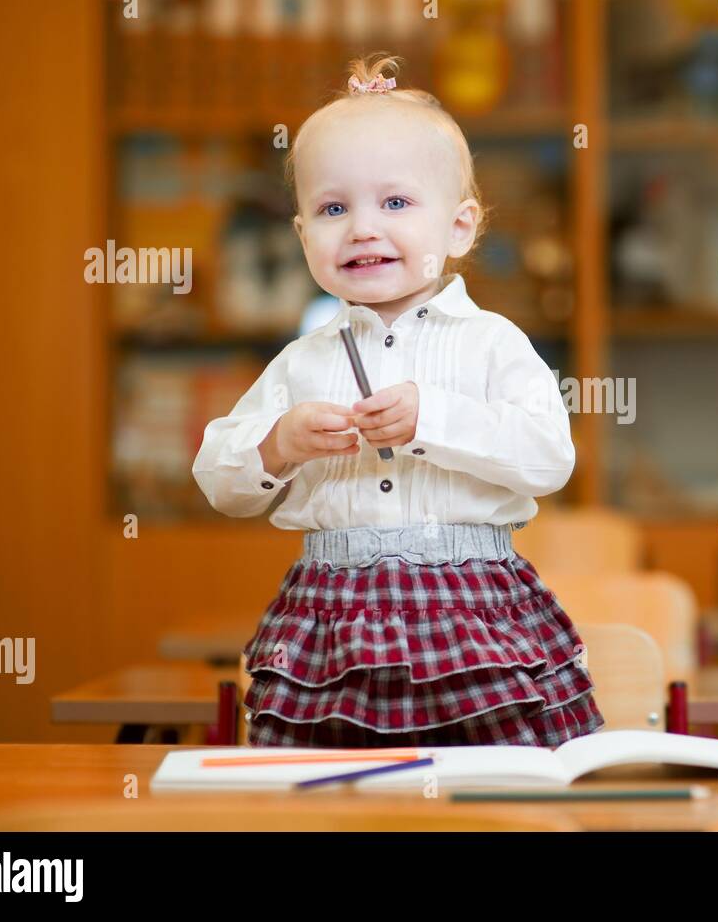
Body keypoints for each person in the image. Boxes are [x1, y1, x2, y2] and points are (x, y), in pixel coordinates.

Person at [192, 53, 604, 748]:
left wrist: (432, 418)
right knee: (329, 795)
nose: (361, 227)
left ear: (460, 227)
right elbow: (218, 478)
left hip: (473, 611)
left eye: (395, 202)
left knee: (490, 792)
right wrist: (279, 445)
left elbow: (549, 456)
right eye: (332, 208)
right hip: (332, 616)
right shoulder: (304, 360)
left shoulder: (492, 342)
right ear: (303, 237)